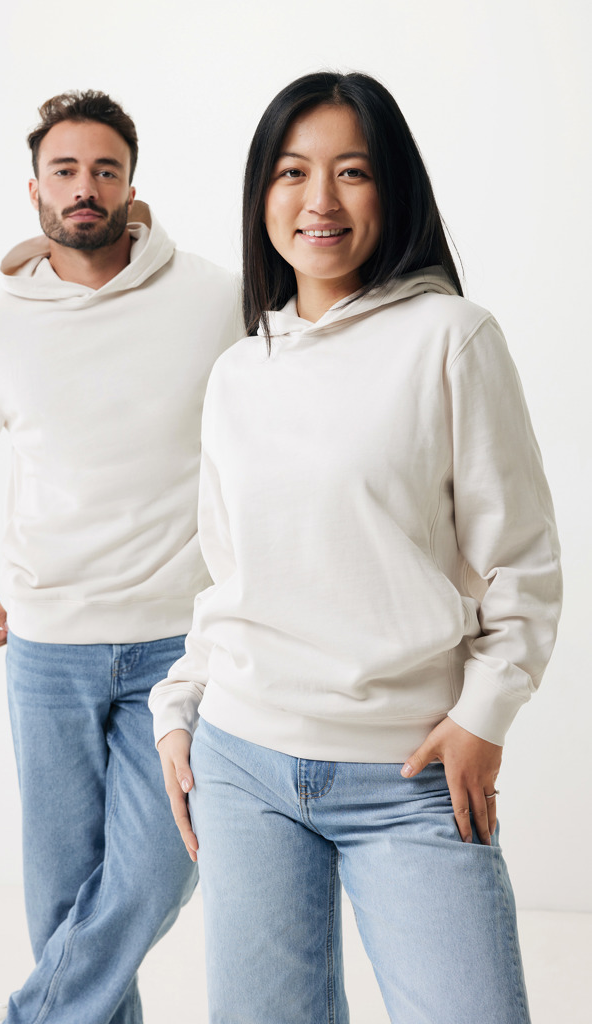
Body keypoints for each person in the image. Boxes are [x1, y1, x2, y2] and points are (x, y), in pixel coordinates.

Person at [150, 71, 562, 1024]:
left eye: (352, 171)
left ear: (393, 189)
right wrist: (178, 708)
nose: (320, 200)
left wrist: (484, 715)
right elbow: (227, 574)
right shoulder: (237, 371)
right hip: (241, 762)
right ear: (262, 193)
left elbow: (522, 563)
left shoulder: (451, 338)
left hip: (409, 774)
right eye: (292, 172)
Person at [0, 90, 241, 1024]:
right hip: (46, 644)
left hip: (177, 644)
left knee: (157, 869)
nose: (85, 188)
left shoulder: (212, 299)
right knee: (63, 900)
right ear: (34, 190)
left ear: (132, 186)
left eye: (105, 169)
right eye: (65, 170)